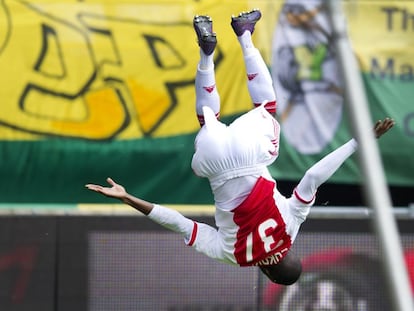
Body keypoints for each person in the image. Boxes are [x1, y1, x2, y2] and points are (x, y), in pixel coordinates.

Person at [85, 9, 395, 285]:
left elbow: (313, 176)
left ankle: (244, 34)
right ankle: (206, 55)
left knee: (267, 104)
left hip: (251, 154)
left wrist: (360, 141)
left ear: (290, 254)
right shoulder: (232, 255)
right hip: (215, 162)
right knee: (208, 122)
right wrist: (127, 198)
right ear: (268, 273)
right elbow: (180, 224)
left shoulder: (289, 229)